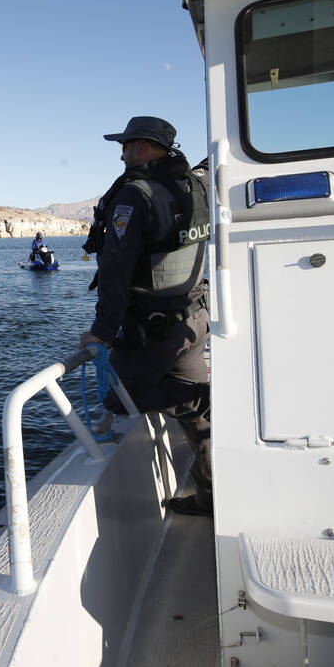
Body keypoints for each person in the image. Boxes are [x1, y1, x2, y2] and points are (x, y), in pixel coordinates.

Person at [80, 116, 212, 516]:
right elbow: (210, 167)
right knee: (201, 421)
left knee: (118, 400)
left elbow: (116, 273)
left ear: (139, 147)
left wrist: (101, 333)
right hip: (194, 319)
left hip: (153, 332)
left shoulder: (135, 197)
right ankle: (212, 497)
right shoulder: (195, 184)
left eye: (124, 146)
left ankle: (187, 400)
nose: (122, 154)